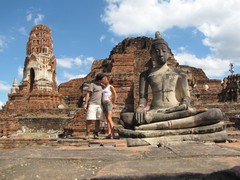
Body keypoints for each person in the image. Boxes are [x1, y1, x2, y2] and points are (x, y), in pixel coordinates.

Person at [121, 32, 223, 130]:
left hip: (177, 111)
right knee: (126, 117)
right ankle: (180, 125)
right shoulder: (145, 75)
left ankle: (151, 127)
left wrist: (184, 104)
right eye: (156, 51)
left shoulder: (180, 73)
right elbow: (143, 98)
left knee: (216, 113)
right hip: (156, 113)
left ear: (169, 53)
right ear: (151, 54)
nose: (160, 54)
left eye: (164, 51)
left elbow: (186, 97)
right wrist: (141, 107)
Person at [83, 73, 105, 139]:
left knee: (98, 119)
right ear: (100, 79)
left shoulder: (102, 86)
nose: (105, 79)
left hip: (100, 105)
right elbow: (88, 94)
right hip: (92, 104)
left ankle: (96, 133)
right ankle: (87, 133)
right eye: (104, 78)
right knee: (90, 119)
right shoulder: (92, 85)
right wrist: (86, 103)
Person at [101, 74, 118, 139]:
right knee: (107, 120)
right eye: (103, 79)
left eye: (105, 79)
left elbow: (115, 95)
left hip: (108, 103)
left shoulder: (110, 86)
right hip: (104, 104)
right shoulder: (103, 87)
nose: (103, 80)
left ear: (108, 80)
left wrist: (113, 103)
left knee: (109, 118)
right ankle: (109, 133)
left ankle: (113, 134)